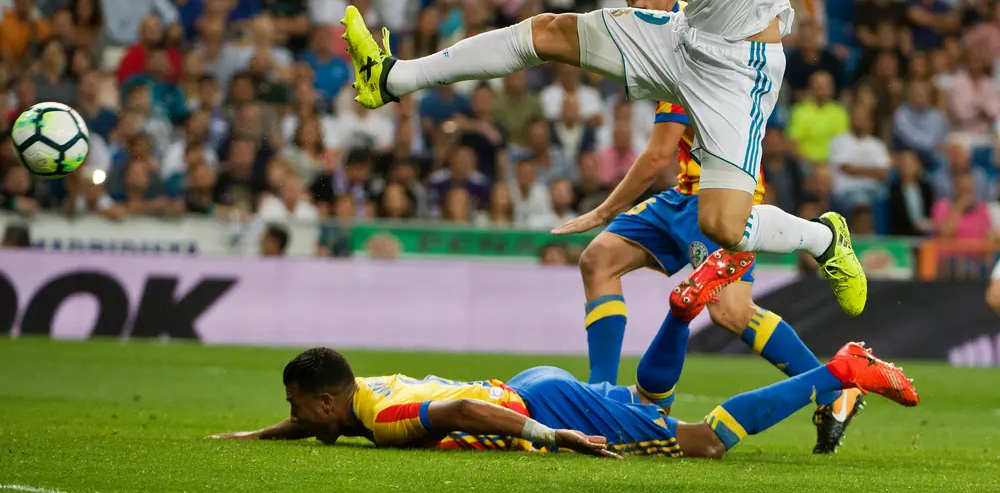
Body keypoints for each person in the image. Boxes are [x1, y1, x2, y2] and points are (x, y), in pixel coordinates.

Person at [344, 0, 965, 318]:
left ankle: (825, 238)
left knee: (723, 225)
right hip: (680, 36)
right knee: (548, 32)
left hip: (741, 66)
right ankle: (391, 77)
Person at [551, 0, 863, 453]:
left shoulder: (690, 44)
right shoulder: (664, 38)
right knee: (599, 260)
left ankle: (835, 387)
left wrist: (602, 210)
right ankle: (601, 397)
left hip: (721, 201)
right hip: (683, 195)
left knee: (732, 312)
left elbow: (655, 154)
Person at [205, 302, 917, 457]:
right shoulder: (363, 395)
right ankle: (680, 312)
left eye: (300, 408)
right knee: (647, 403)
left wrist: (557, 437)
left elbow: (456, 411)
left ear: (328, 399)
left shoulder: (386, 422)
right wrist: (248, 434)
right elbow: (308, 422)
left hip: (530, 403)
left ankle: (841, 370)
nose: (296, 417)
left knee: (702, 443)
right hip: (529, 382)